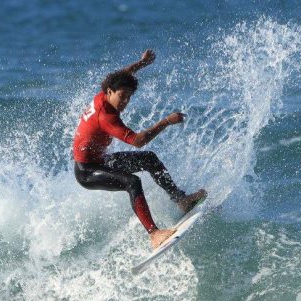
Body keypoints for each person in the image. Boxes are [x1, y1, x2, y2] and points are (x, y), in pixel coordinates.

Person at [73, 49, 207, 249]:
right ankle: (154, 234)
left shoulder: (104, 94)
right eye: (122, 96)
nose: (125, 102)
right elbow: (138, 141)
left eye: (128, 97)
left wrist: (141, 63)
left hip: (99, 161)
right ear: (110, 91)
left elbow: (124, 75)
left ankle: (182, 200)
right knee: (132, 182)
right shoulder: (106, 117)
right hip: (87, 171)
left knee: (149, 159)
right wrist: (166, 121)